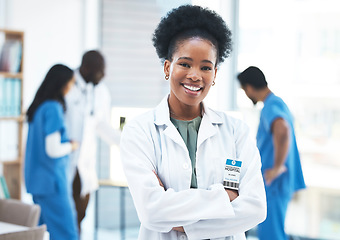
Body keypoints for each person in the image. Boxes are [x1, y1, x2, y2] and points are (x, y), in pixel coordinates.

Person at [120, 5, 266, 240]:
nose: (195, 75)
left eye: (206, 67)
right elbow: (151, 211)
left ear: (215, 75)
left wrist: (182, 223)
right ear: (168, 67)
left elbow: (256, 208)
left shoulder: (236, 131)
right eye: (185, 64)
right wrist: (225, 197)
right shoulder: (139, 132)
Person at [237, 66, 306, 240]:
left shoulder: (271, 105)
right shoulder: (277, 102)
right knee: (274, 231)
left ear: (249, 87)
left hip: (273, 181)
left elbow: (282, 130)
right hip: (278, 182)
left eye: (244, 90)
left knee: (271, 234)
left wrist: (277, 167)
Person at [64, 50, 120, 233]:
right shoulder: (66, 84)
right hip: (64, 162)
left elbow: (101, 125)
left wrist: (124, 142)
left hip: (85, 167)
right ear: (86, 68)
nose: (103, 76)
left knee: (79, 217)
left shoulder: (101, 92)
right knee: (63, 219)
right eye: (99, 72)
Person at [25, 64, 79, 240]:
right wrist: (71, 146)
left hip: (38, 184)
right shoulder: (53, 108)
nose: (71, 88)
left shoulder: (39, 108)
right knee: (67, 233)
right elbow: (53, 149)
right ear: (62, 84)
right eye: (71, 83)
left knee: (42, 233)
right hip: (52, 184)